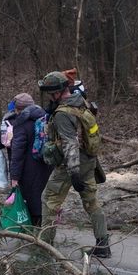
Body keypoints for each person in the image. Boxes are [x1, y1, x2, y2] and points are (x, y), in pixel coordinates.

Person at [38, 71, 110, 258]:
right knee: (92, 202)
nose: (48, 97)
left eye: (49, 93)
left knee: (49, 200)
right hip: (89, 161)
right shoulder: (81, 102)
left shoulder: (63, 114)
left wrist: (74, 173)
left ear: (57, 92)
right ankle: (103, 245)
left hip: (71, 165)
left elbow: (70, 143)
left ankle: (46, 248)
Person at [9, 93, 53, 226]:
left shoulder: (21, 124)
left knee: (31, 199)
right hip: (47, 164)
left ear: (19, 109)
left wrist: (14, 177)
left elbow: (17, 153)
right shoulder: (45, 117)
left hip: (29, 169)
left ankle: (35, 232)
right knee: (42, 197)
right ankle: (45, 228)